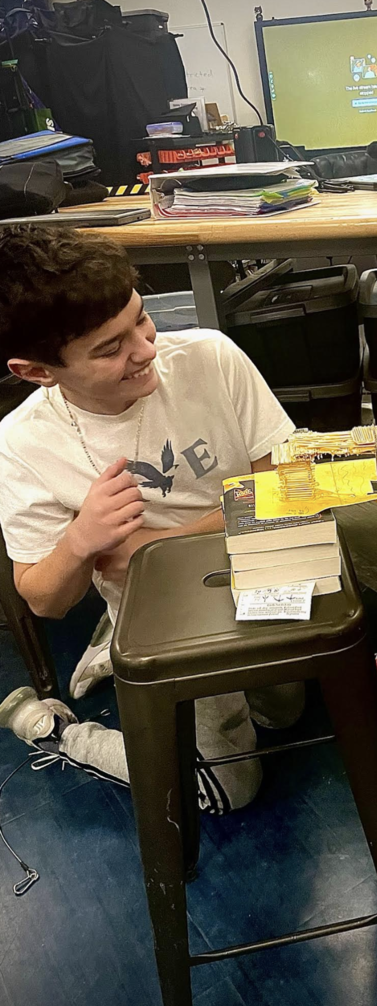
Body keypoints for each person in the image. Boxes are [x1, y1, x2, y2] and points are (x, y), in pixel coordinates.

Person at [0, 226, 302, 815]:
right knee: (228, 791)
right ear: (38, 372)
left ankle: (110, 646)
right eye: (110, 349)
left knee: (285, 711)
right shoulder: (21, 443)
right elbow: (42, 598)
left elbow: (282, 492)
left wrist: (150, 546)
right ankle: (58, 732)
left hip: (261, 571)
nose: (144, 349)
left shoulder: (210, 357)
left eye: (141, 319)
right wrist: (81, 542)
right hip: (164, 617)